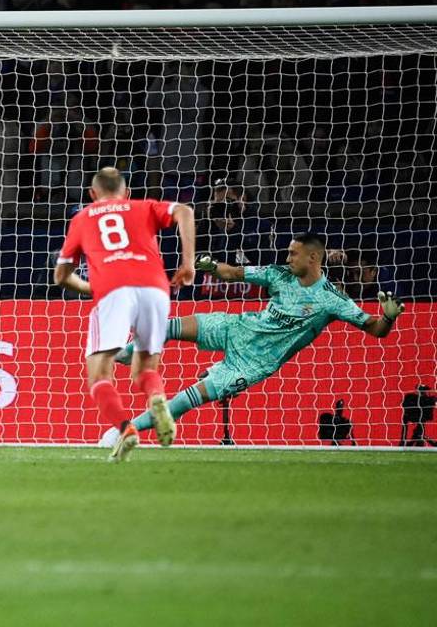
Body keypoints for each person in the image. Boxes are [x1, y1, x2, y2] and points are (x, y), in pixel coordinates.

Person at [108, 234, 405, 443]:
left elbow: (375, 329)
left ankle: (127, 429)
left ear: (313, 257)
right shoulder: (279, 274)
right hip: (237, 327)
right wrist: (213, 267)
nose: (288, 258)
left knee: (187, 399)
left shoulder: (332, 299)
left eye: (293, 253)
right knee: (169, 326)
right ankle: (122, 354)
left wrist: (388, 317)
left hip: (253, 362)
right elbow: (236, 273)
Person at [54, 167, 197, 462]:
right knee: (146, 369)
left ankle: (126, 428)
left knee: (99, 373)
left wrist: (89, 286)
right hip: (156, 289)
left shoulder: (83, 218)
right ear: (126, 192)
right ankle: (156, 398)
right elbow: (184, 210)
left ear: (92, 195)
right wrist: (188, 263)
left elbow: (61, 276)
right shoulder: (142, 206)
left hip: (113, 291)